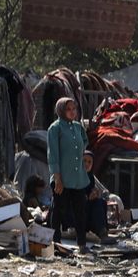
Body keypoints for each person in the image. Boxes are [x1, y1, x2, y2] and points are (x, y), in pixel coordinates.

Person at [47, 97, 93, 250]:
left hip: (78, 177)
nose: (72, 112)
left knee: (80, 211)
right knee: (59, 211)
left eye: (74, 109)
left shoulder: (78, 127)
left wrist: (77, 156)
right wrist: (57, 178)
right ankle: (56, 244)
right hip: (62, 177)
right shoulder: (55, 128)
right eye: (68, 109)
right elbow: (52, 155)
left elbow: (84, 141)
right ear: (61, 110)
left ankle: (82, 244)